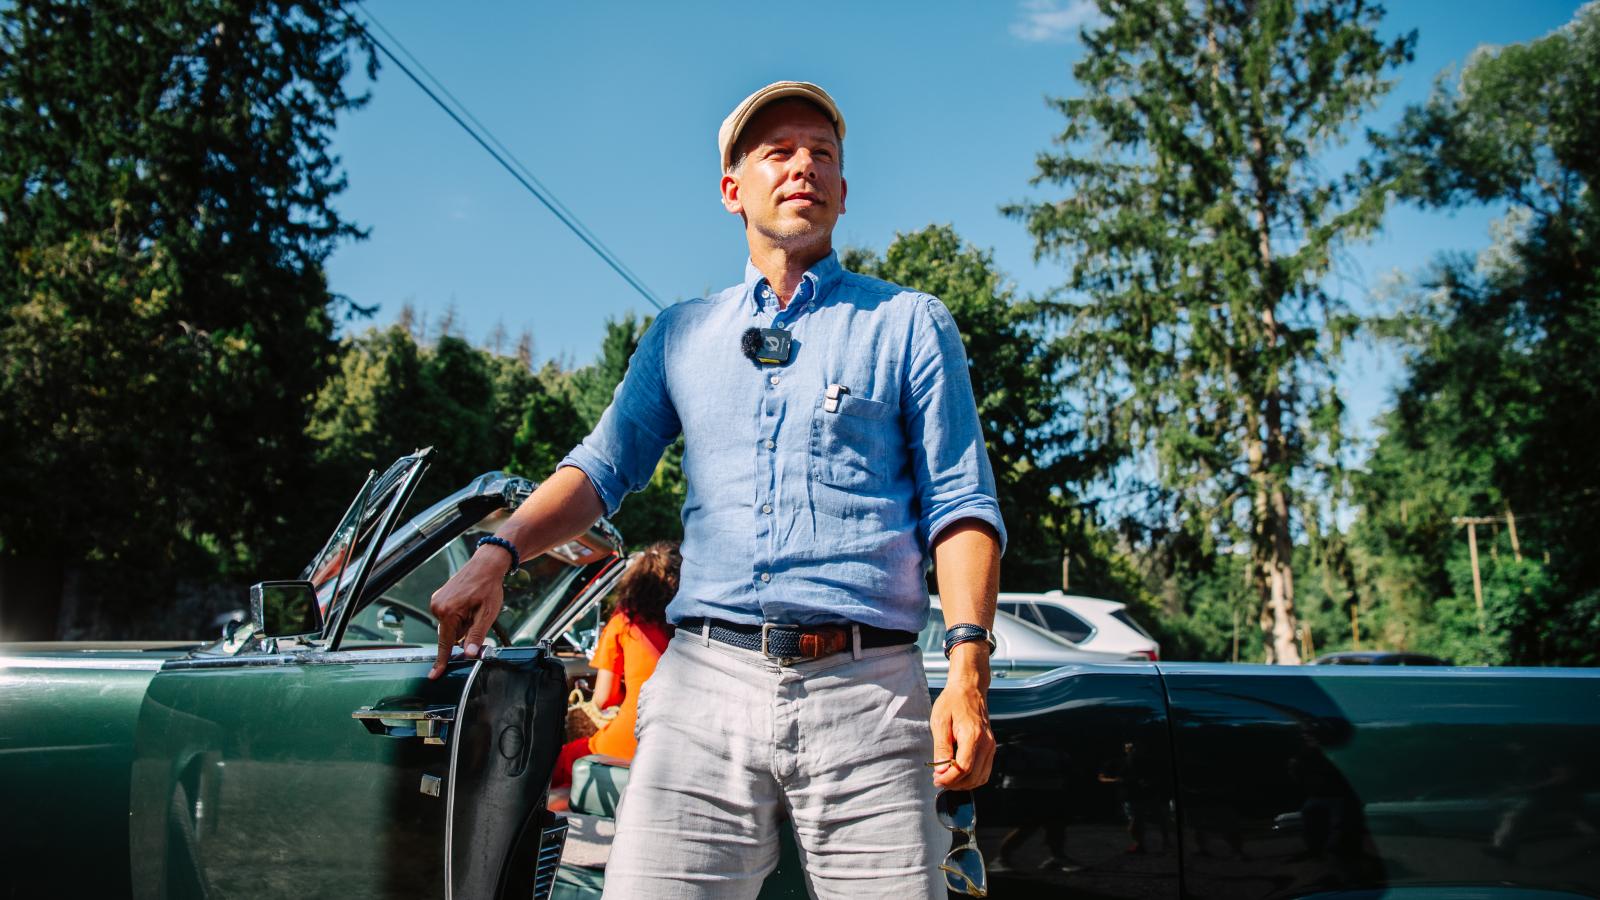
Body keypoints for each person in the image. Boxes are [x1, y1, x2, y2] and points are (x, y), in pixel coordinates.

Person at [430, 80, 1004, 898]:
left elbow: (961, 505)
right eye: (779, 152)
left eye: (822, 153)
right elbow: (601, 467)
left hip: (870, 693)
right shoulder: (682, 333)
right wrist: (498, 551)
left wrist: (968, 673)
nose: (803, 166)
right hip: (703, 686)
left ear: (843, 192)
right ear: (733, 189)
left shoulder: (907, 323)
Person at [552, 541, 679, 789]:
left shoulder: (625, 621)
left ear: (635, 583)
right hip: (681, 744)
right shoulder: (693, 627)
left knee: (560, 764)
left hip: (637, 736)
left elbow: (603, 699)